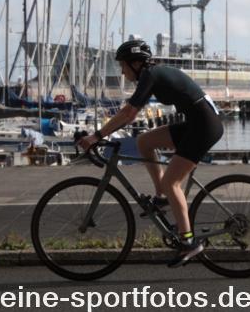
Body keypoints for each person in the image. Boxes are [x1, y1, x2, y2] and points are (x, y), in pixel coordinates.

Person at [76, 39, 224, 267]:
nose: (123, 73)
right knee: (144, 141)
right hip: (197, 123)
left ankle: (189, 242)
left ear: (136, 63)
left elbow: (128, 113)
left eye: (123, 66)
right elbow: (129, 114)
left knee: (172, 182)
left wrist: (97, 136)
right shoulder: (152, 74)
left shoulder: (150, 75)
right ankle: (161, 197)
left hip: (204, 127)